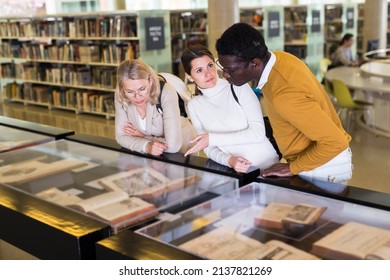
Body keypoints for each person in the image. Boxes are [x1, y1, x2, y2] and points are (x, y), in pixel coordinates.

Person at [215, 23, 353, 184]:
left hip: (322, 167)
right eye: (222, 66)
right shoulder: (281, 59)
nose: (225, 75)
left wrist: (291, 168)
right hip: (315, 161)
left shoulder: (285, 94)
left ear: (255, 63)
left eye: (230, 69)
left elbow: (336, 143)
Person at [181, 44, 279, 173]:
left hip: (267, 168)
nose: (208, 73)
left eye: (210, 65)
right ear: (189, 76)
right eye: (199, 70)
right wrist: (229, 160)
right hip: (236, 172)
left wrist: (212, 138)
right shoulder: (194, 105)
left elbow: (258, 133)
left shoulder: (238, 86)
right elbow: (208, 147)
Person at [115, 59, 196, 156]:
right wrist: (147, 146)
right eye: (130, 92)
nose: (137, 96)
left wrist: (143, 137)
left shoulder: (166, 91)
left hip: (182, 148)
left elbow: (173, 146)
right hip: (151, 152)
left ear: (150, 80)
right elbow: (120, 137)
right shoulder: (121, 94)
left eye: (142, 89)